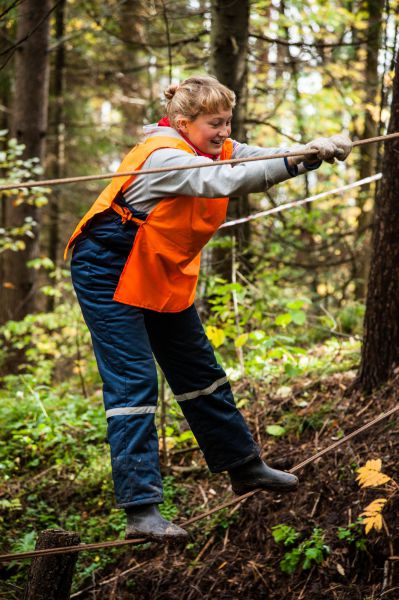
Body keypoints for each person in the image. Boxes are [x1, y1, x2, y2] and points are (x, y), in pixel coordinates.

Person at [66, 76, 352, 540]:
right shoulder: (164, 156)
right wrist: (296, 160)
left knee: (199, 369)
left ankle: (243, 465)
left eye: (227, 122)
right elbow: (223, 180)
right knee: (134, 381)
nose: (223, 131)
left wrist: (309, 150)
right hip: (106, 265)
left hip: (154, 263)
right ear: (183, 123)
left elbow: (249, 158)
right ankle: (141, 510)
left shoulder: (210, 147)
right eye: (214, 123)